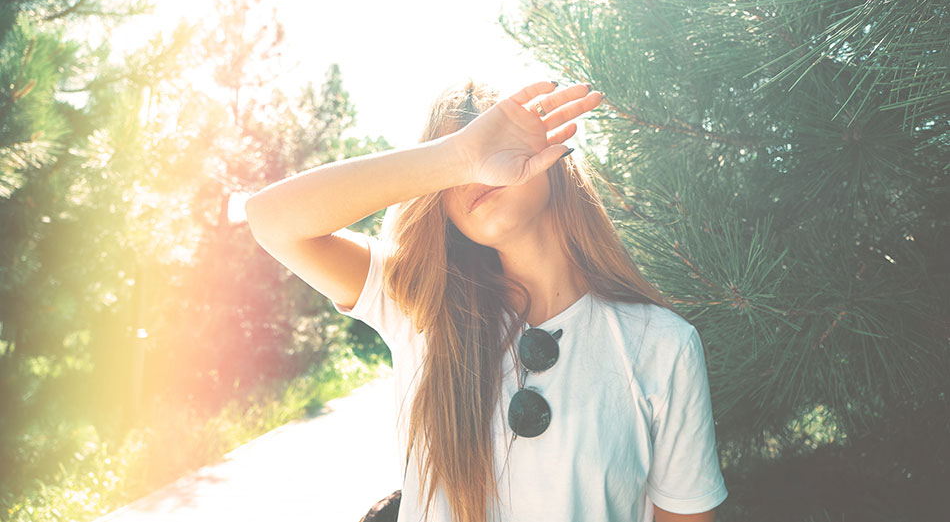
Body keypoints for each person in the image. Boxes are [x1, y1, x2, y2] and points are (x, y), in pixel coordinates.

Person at [244, 79, 729, 522]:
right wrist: (457, 156)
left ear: (553, 151)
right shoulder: (422, 309)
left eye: (493, 144)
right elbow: (270, 218)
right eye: (457, 167)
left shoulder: (663, 345)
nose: (475, 173)